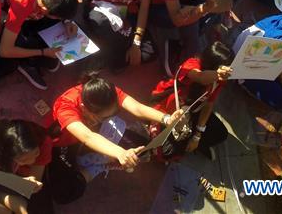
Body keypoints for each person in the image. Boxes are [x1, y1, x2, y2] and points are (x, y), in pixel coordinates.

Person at [44, 72, 180, 205]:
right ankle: (100, 166)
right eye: (104, 117)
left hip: (92, 134)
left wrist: (167, 118)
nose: (108, 119)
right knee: (64, 193)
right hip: (64, 144)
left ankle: (102, 160)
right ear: (84, 109)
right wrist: (120, 153)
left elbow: (136, 107)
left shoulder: (105, 92)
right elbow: (88, 136)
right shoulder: (66, 106)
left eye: (112, 115)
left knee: (143, 148)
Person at [148, 42, 233, 160]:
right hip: (168, 110)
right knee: (166, 151)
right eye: (226, 67)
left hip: (191, 111)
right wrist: (218, 74)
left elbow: (209, 104)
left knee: (221, 134)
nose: (228, 71)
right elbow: (201, 77)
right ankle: (185, 142)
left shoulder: (219, 80)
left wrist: (197, 135)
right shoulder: (191, 64)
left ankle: (192, 142)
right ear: (213, 65)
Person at [0, 0, 80, 90]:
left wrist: (67, 22)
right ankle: (26, 63)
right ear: (45, 10)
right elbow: (4, 51)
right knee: (26, 42)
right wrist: (42, 52)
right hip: (21, 20)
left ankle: (38, 53)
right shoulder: (21, 5)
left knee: (52, 58)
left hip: (36, 16)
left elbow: (61, 14)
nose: (61, 18)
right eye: (59, 16)